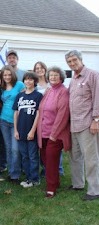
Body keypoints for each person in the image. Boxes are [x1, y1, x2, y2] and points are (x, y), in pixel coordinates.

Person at [65, 50, 99, 201]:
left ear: (81, 59)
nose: (72, 63)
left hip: (87, 124)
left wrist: (96, 120)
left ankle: (94, 190)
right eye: (69, 62)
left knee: (91, 158)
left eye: (74, 60)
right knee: (75, 157)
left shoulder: (93, 75)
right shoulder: (73, 80)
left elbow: (97, 98)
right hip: (74, 124)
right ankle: (77, 184)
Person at [37, 66, 71, 198]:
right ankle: (55, 182)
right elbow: (42, 110)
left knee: (51, 161)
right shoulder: (49, 90)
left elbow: (63, 114)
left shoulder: (63, 91)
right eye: (51, 75)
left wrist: (54, 134)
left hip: (55, 135)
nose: (53, 77)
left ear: (61, 77)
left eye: (56, 75)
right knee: (46, 159)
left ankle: (51, 189)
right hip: (43, 132)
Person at [33, 61, 64, 177]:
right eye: (37, 68)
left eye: (41, 68)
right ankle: (45, 169)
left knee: (54, 145)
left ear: (45, 70)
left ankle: (59, 169)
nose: (39, 70)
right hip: (40, 118)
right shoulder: (35, 86)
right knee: (43, 145)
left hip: (53, 118)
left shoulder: (51, 84)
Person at [13, 72, 43, 188]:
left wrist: (32, 130)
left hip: (32, 132)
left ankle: (35, 179)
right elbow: (16, 113)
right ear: (24, 81)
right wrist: (15, 130)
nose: (28, 82)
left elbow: (38, 114)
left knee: (33, 156)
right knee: (24, 156)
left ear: (35, 82)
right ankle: (28, 177)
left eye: (31, 80)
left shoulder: (38, 96)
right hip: (21, 130)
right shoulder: (20, 96)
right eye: (26, 79)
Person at [0, 65, 25, 184]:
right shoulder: (1, 87)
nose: (7, 77)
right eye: (5, 75)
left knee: (15, 149)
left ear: (13, 75)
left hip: (16, 121)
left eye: (9, 74)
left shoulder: (19, 85)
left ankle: (16, 173)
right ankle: (12, 173)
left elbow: (28, 95)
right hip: (3, 120)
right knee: (8, 148)